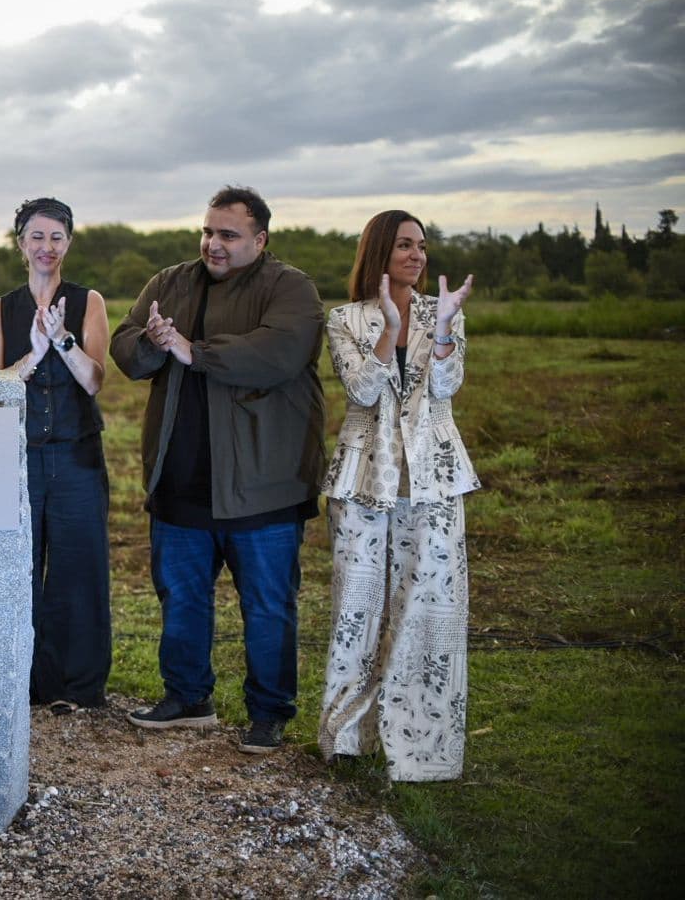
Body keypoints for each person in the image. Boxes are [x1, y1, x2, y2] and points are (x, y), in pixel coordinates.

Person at [109, 185, 326, 754]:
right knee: (181, 595)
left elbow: (280, 351)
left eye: (228, 234)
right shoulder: (169, 281)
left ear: (260, 239)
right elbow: (126, 346)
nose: (214, 244)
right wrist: (156, 344)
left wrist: (194, 351)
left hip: (263, 483)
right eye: (208, 231)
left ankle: (269, 711)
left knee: (268, 602)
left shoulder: (291, 288)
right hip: (180, 478)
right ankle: (187, 697)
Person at [317, 211, 478, 781]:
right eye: (405, 245)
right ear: (380, 251)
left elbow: (445, 386)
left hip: (434, 479)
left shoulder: (445, 314)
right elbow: (361, 389)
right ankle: (346, 741)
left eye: (423, 246)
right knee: (356, 609)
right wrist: (389, 327)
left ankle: (420, 754)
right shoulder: (344, 318)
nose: (418, 255)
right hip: (364, 478)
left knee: (427, 609)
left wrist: (439, 332)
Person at [0, 197, 111, 714]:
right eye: (37, 236)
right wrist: (33, 354)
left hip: (79, 457)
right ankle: (26, 683)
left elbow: (96, 381)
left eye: (57, 237)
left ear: (69, 243)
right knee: (20, 569)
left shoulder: (89, 301)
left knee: (80, 566)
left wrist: (62, 341)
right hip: (20, 459)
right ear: (20, 244)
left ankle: (79, 687)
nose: (46, 247)